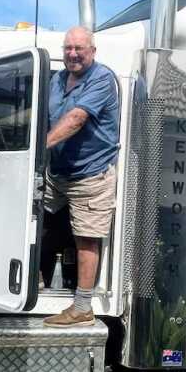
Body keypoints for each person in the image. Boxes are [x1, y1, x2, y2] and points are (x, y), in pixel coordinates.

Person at [42, 26, 119, 327]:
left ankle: (83, 307)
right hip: (58, 172)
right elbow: (43, 116)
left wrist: (39, 146)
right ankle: (34, 277)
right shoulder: (57, 79)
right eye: (68, 48)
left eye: (79, 49)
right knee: (34, 216)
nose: (72, 54)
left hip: (91, 176)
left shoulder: (101, 79)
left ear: (92, 51)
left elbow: (75, 119)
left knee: (86, 238)